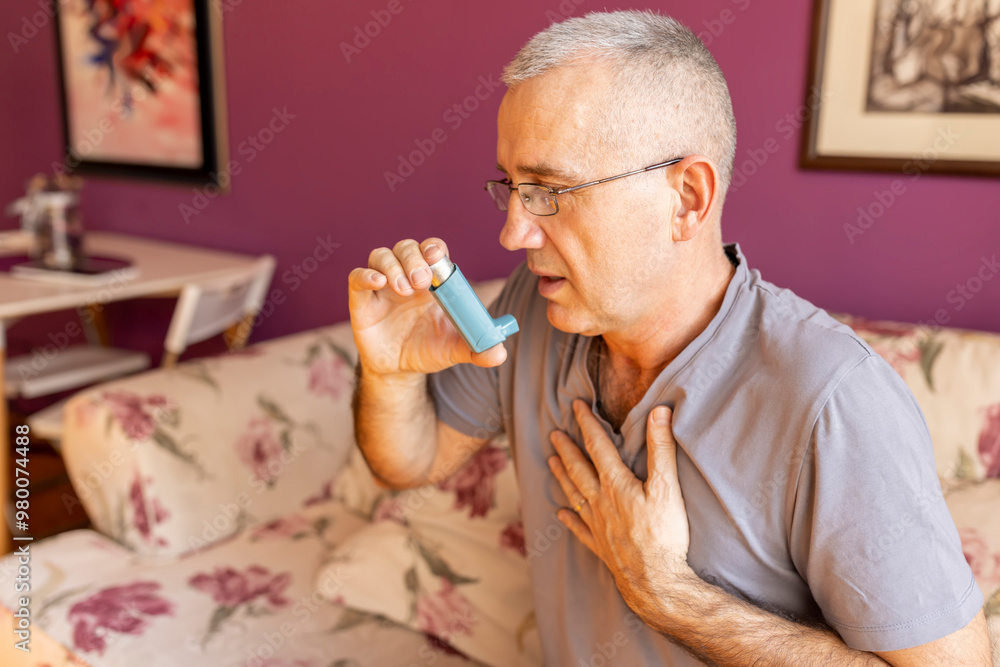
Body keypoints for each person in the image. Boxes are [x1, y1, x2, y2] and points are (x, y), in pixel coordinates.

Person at [347, 10, 992, 666]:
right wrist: (390, 371)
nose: (514, 232)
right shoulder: (537, 303)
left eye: (550, 190)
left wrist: (671, 596)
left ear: (686, 198)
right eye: (513, 187)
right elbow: (410, 463)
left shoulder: (834, 402)